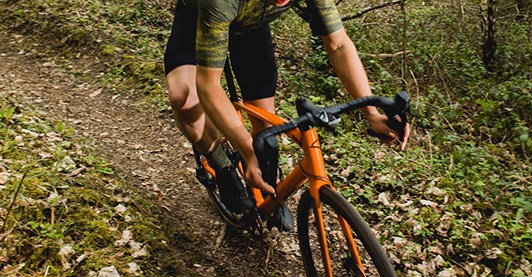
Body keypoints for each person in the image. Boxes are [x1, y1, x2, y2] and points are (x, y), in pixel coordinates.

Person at [164, 0, 400, 228]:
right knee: (185, 100)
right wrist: (247, 150)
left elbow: (338, 44)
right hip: (198, 21)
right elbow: (208, 85)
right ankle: (222, 167)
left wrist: (372, 112)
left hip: (251, 28)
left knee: (266, 133)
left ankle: (269, 192)